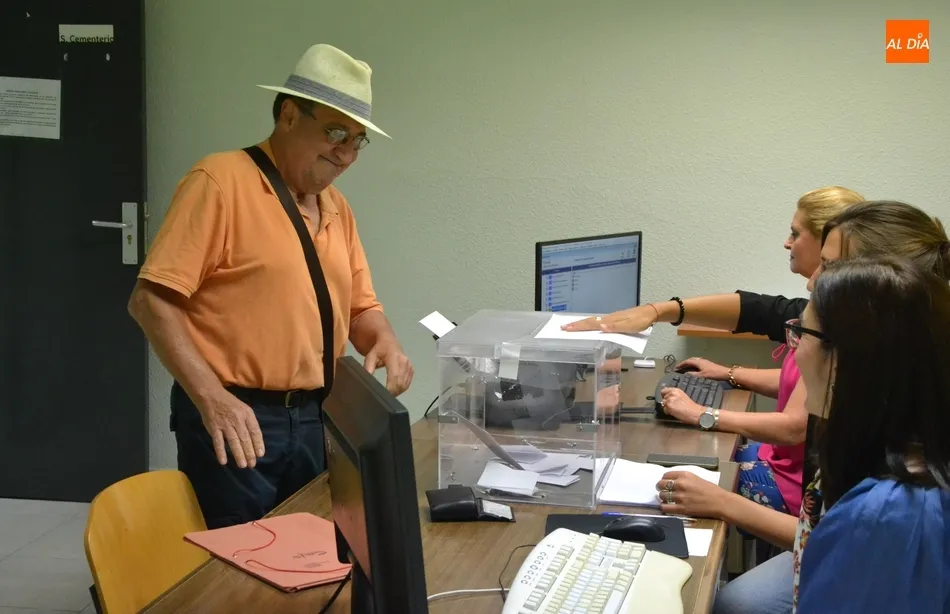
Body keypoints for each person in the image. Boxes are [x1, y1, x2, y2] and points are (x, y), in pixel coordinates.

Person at [128, 44, 413, 529]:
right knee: (237, 571)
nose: (344, 154)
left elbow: (361, 309)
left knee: (314, 554)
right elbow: (151, 302)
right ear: (287, 114)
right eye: (334, 132)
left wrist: (384, 340)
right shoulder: (219, 182)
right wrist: (211, 398)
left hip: (317, 418)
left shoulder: (337, 207)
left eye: (357, 140)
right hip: (237, 417)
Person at [653, 200, 950, 614]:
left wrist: (721, 496)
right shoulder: (893, 416)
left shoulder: (883, 515)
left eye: (800, 334)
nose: (812, 282)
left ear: (852, 350)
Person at [654, 187, 863, 518]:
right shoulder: (830, 313)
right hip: (789, 470)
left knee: (677, 474)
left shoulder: (838, 328)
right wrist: (730, 373)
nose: (787, 242)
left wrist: (702, 415)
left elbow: (796, 425)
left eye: (796, 234)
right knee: (700, 458)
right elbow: (798, 382)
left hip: (796, 487)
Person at [790, 256, 950, 613]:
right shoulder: (918, 454)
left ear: (845, 357)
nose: (797, 350)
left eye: (802, 333)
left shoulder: (884, 518)